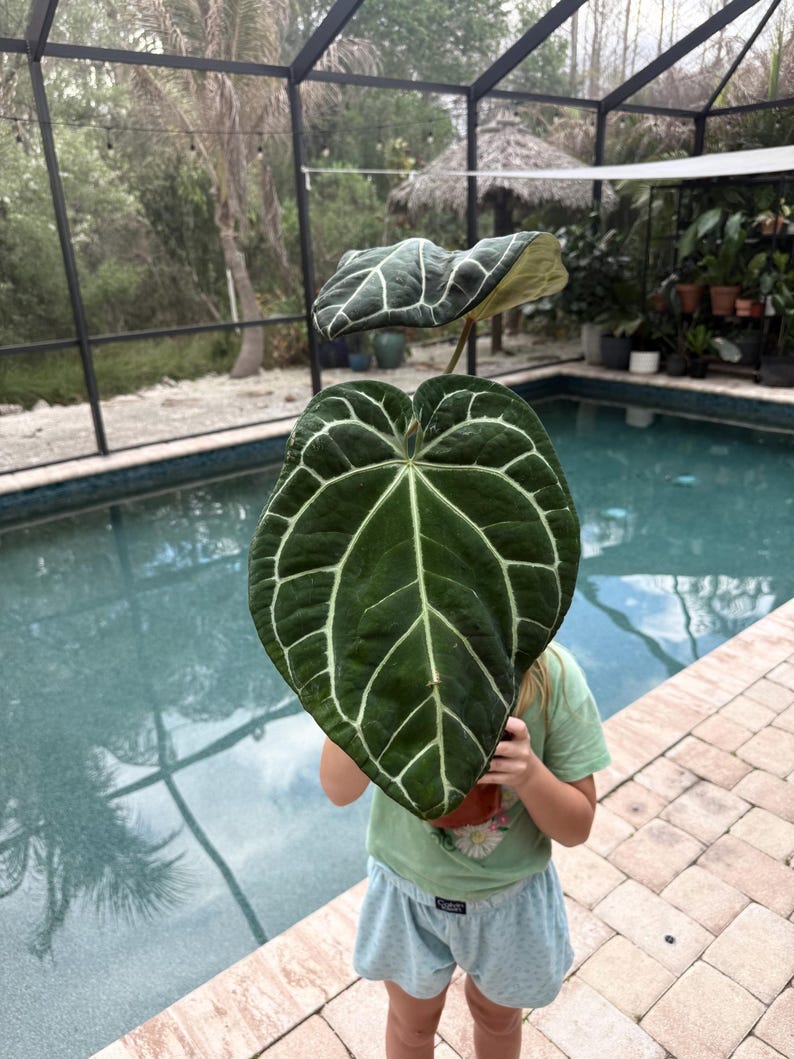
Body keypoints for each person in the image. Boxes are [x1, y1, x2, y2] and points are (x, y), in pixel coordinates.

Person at [319, 642, 611, 1059]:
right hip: (408, 895)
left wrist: (528, 773)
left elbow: (576, 826)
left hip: (508, 903)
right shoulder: (384, 668)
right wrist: (368, 692)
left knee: (497, 1018)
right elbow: (338, 790)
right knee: (411, 1025)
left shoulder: (552, 676)